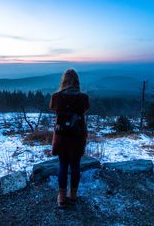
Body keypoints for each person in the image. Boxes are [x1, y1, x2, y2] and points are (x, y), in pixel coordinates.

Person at [49, 69, 90, 208]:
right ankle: (72, 196)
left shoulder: (56, 96)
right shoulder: (83, 97)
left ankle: (61, 198)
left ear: (64, 81)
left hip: (62, 138)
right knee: (75, 166)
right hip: (77, 137)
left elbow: (52, 108)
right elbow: (85, 109)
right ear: (77, 82)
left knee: (63, 166)